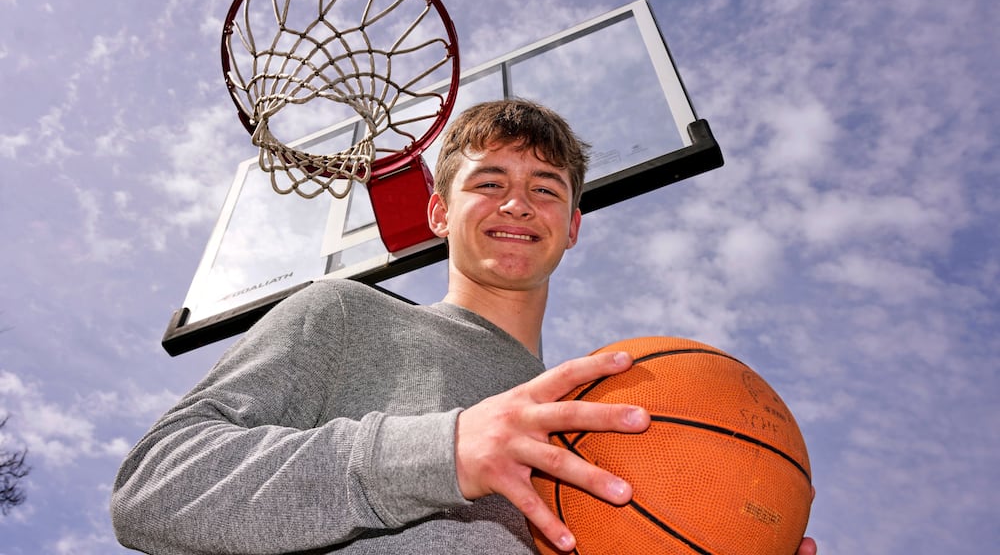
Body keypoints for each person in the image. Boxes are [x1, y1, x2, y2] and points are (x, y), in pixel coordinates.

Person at [111, 99, 816, 554]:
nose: (517, 203)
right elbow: (151, 491)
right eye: (488, 182)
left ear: (572, 227)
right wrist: (441, 451)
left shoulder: (606, 418)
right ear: (439, 213)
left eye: (545, 188)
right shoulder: (344, 313)